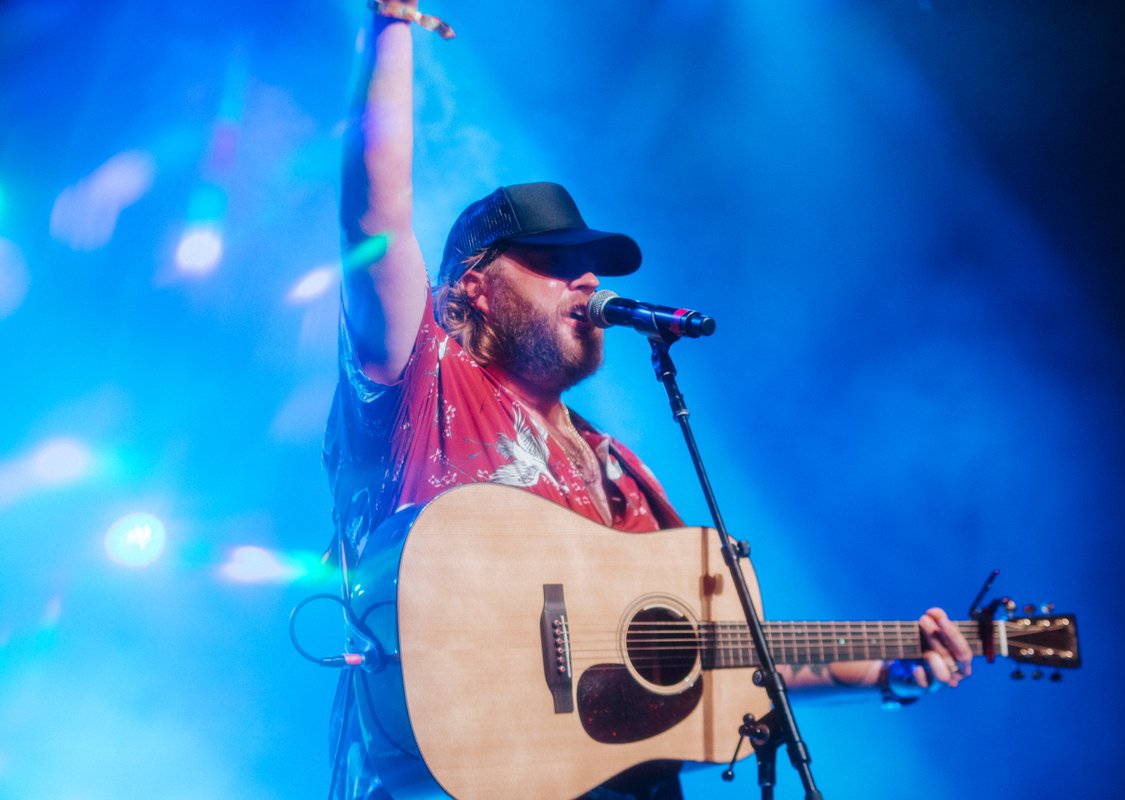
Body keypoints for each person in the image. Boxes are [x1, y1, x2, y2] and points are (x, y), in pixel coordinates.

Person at [323, 4, 974, 799]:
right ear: (474, 289)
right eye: (554, 261)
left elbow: (727, 660)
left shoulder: (618, 469)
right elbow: (374, 220)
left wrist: (894, 669)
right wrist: (387, 31)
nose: (589, 279)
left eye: (593, 263)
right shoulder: (422, 377)